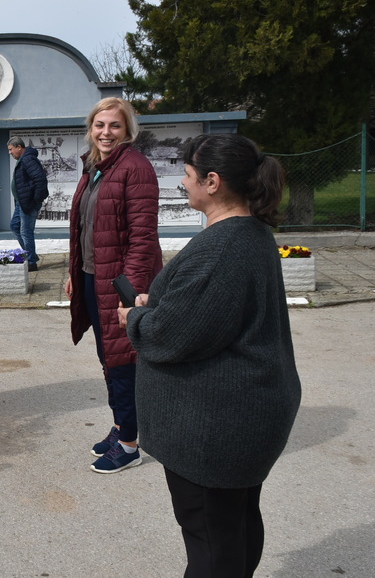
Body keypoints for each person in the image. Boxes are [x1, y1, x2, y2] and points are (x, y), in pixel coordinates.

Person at [118, 134, 301, 577]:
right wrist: (161, 303)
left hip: (214, 430)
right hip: (242, 418)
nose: (183, 182)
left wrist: (135, 318)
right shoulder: (249, 234)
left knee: (211, 542)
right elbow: (214, 311)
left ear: (212, 182)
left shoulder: (222, 248)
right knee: (234, 526)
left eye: (187, 175)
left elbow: (172, 337)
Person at [64, 96, 162, 474]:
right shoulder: (96, 167)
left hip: (121, 285)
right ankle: (122, 425)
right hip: (94, 276)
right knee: (108, 357)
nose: (106, 132)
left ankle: (129, 445)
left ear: (128, 130)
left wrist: (130, 295)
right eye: (100, 125)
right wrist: (75, 273)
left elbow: (142, 239)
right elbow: (86, 228)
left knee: (123, 360)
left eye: (114, 126)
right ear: (91, 128)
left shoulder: (135, 168)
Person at [7, 137, 49, 271]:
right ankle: (31, 255)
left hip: (28, 202)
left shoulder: (28, 159)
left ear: (19, 147)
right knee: (15, 226)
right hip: (21, 202)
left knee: (26, 232)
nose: (10, 152)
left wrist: (35, 199)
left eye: (11, 149)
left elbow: (40, 179)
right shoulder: (23, 159)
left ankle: (31, 263)